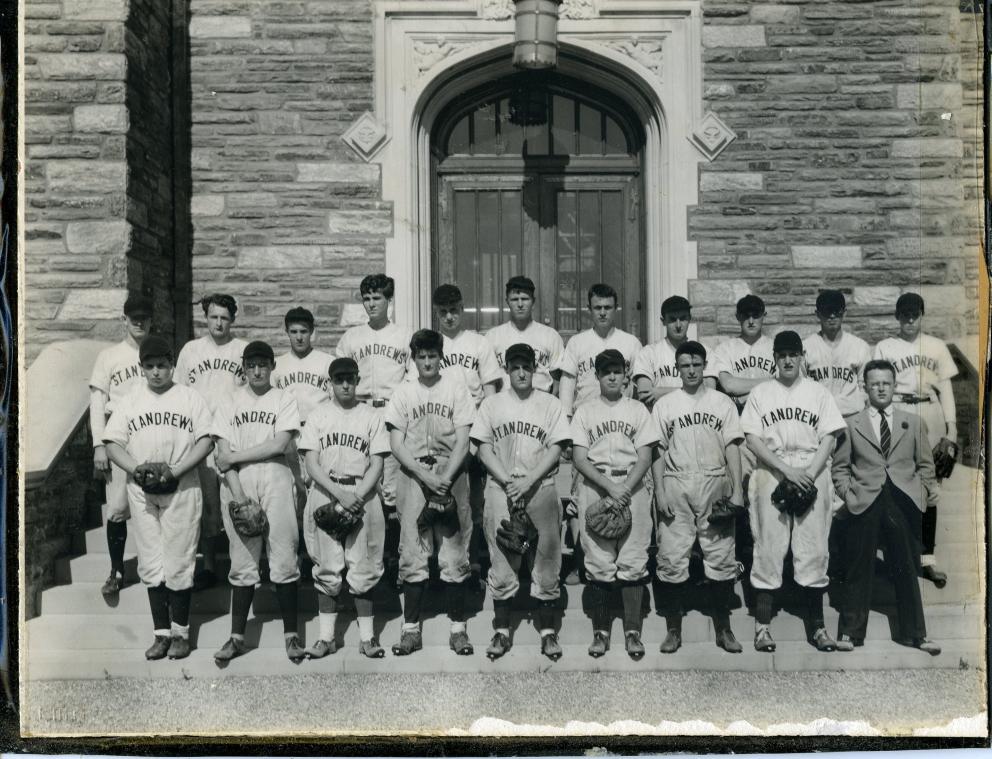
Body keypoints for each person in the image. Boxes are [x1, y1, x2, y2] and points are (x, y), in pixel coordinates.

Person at [103, 335, 214, 660]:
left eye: (161, 366)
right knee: (151, 560)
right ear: (141, 368)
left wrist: (176, 470)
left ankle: (181, 634)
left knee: (179, 560)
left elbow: (205, 441)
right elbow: (112, 443)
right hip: (143, 489)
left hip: (181, 485)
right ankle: (161, 634)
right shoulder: (131, 401)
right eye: (149, 366)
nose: (155, 372)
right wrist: (136, 469)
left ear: (172, 366)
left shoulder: (189, 397)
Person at [741, 330, 845, 653]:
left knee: (814, 548)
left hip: (811, 469)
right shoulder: (761, 392)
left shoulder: (818, 393)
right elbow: (753, 439)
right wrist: (786, 471)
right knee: (769, 547)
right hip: (772, 469)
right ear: (774, 358)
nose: (788, 360)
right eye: (782, 354)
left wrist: (810, 474)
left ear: (802, 357)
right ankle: (762, 627)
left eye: (793, 354)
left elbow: (830, 437)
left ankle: (817, 628)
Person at [831, 359, 941, 655]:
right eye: (874, 383)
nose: (880, 388)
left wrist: (921, 492)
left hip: (901, 499)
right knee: (858, 565)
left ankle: (916, 634)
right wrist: (848, 492)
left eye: (886, 383)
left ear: (894, 386)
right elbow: (840, 468)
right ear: (865, 387)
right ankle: (850, 633)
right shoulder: (852, 424)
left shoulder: (913, 422)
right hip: (864, 499)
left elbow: (925, 466)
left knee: (906, 566)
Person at [471, 343, 571, 661]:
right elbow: (482, 448)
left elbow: (557, 448)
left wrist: (528, 481)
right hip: (502, 488)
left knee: (546, 560)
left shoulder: (550, 403)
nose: (521, 372)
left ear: (535, 368)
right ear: (507, 370)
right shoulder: (492, 404)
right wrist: (507, 480)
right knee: (502, 560)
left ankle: (547, 632)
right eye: (515, 366)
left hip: (540, 485)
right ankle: (501, 632)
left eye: (526, 366)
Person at [211, 341, 304, 663]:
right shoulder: (228, 401)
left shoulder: (283, 399)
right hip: (239, 481)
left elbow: (280, 443)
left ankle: (292, 636)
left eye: (263, 364)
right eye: (251, 365)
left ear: (272, 366)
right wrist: (239, 497)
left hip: (276, 476)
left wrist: (235, 457)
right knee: (242, 561)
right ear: (244, 367)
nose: (258, 370)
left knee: (283, 556)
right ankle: (237, 637)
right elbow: (222, 456)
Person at [651, 341, 746, 654]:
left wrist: (737, 489)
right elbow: (658, 451)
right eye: (684, 365)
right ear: (677, 368)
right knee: (672, 554)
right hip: (677, 482)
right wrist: (660, 491)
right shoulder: (666, 405)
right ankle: (673, 629)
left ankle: (724, 627)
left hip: (714, 480)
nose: (690, 371)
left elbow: (733, 445)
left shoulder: (721, 403)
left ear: (704, 366)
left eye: (695, 365)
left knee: (720, 554)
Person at [385, 329, 475, 656]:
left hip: (451, 471)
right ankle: (411, 629)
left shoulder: (455, 388)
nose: (427, 362)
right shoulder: (404, 392)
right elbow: (396, 444)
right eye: (421, 357)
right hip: (413, 474)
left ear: (441, 357)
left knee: (454, 550)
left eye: (432, 356)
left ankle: (458, 629)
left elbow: (464, 440)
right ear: (414, 359)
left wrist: (444, 479)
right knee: (413, 549)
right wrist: (425, 476)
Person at [298, 357, 390, 659]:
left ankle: (367, 638)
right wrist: (339, 493)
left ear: (358, 380)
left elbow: (378, 462)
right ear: (330, 384)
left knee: (364, 565)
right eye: (339, 380)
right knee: (327, 566)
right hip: (327, 490)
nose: (346, 384)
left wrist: (357, 495)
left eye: (350, 378)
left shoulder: (371, 415)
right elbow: (311, 462)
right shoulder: (318, 415)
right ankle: (327, 638)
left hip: (363, 493)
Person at [570, 349, 659, 659]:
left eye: (617, 371)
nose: (611, 376)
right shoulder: (584, 411)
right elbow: (580, 459)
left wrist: (624, 487)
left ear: (625, 375)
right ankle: (601, 632)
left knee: (633, 560)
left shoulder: (637, 410)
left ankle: (632, 632)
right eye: (605, 371)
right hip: (596, 485)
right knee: (598, 562)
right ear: (596, 375)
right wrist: (611, 487)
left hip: (632, 484)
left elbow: (645, 456)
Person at [873, 292, 958, 587]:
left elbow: (946, 389)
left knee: (930, 486)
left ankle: (927, 559)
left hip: (929, 408)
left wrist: (952, 430)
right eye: (905, 313)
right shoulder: (885, 346)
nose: (910, 319)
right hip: (898, 409)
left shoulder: (935, 346)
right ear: (897, 316)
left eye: (915, 313)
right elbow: (875, 385)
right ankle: (903, 556)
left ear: (922, 315)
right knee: (898, 484)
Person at [335, 274, 411, 578]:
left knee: (391, 490)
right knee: (363, 484)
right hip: (361, 411)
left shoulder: (404, 335)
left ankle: (393, 561)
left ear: (388, 300)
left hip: (391, 412)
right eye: (366, 298)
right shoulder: (352, 338)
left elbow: (413, 379)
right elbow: (338, 378)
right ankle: (362, 561)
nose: (371, 304)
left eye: (376, 298)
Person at [428, 284, 502, 584]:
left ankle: (472, 562)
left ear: (463, 309)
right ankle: (436, 564)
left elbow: (490, 390)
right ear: (436, 313)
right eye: (443, 312)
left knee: (473, 499)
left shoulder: (477, 343)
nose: (449, 317)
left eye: (454, 311)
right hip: (439, 430)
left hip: (471, 428)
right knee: (437, 496)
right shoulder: (429, 344)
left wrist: (484, 429)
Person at [174, 293, 248, 590]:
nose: (219, 323)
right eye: (214, 317)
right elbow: (179, 394)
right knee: (206, 504)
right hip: (201, 436)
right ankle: (208, 565)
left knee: (237, 498)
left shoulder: (242, 350)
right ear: (206, 317)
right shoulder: (191, 351)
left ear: (233, 320)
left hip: (233, 436)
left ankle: (242, 563)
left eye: (224, 318)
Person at [89, 293, 153, 599]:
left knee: (156, 502)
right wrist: (99, 445)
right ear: (124, 319)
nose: (139, 322)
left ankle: (158, 566)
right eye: (133, 317)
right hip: (117, 436)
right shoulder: (109, 356)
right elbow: (97, 402)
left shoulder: (159, 352)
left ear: (152, 320)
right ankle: (116, 570)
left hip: (151, 435)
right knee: (116, 508)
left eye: (144, 317)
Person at [558, 284, 642, 417]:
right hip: (585, 417)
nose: (603, 313)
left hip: (622, 416)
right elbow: (567, 385)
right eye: (598, 308)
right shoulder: (577, 342)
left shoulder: (631, 343)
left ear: (616, 308)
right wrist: (565, 417)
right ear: (589, 309)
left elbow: (638, 385)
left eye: (607, 308)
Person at [484, 276, 565, 395]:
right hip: (504, 403)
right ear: (507, 302)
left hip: (541, 402)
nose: (520, 304)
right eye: (515, 299)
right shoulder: (492, 337)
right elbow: (488, 381)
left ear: (533, 301)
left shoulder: (550, 336)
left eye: (525, 298)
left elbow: (557, 381)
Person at [803, 290, 870, 419]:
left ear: (844, 312)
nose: (832, 316)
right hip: (818, 417)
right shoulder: (806, 347)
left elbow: (865, 385)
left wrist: (858, 403)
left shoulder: (859, 346)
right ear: (817, 314)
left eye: (836, 311)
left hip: (852, 415)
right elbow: (800, 385)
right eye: (827, 311)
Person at [710, 294, 776, 412]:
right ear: (738, 317)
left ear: (764, 316)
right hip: (737, 417)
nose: (751, 321)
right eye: (746, 316)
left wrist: (742, 387)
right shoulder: (725, 349)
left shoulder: (775, 347)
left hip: (770, 414)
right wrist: (771, 381)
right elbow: (728, 385)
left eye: (755, 316)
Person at [632, 295, 696, 409]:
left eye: (682, 318)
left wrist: (659, 392)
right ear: (663, 321)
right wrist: (690, 391)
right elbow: (644, 394)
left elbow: (709, 391)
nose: (678, 325)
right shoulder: (649, 353)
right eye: (672, 319)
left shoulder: (703, 351)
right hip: (660, 419)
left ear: (689, 319)